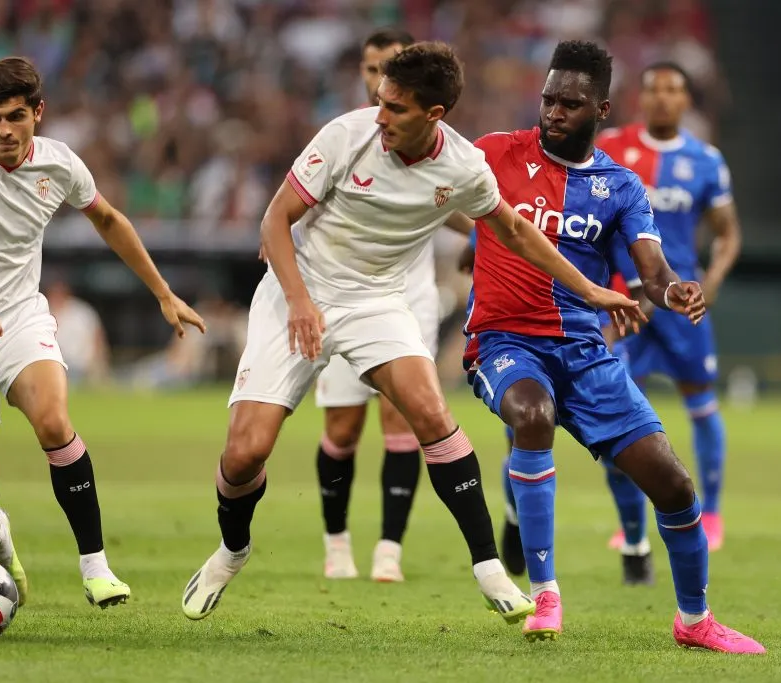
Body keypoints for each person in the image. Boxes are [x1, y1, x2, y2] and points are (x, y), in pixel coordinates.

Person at [180, 41, 642, 627]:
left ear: (434, 115)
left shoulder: (464, 167)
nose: (380, 117)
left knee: (431, 413)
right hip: (295, 291)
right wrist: (298, 302)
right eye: (379, 102)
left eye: (395, 108)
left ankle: (489, 568)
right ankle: (231, 551)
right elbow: (275, 219)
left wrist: (591, 289)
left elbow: (517, 233)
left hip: (376, 299)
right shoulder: (346, 137)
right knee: (245, 453)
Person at [462, 40, 764, 653]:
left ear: (600, 108)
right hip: (504, 340)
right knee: (531, 415)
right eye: (548, 99)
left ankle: (694, 620)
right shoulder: (495, 153)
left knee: (675, 486)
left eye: (569, 104)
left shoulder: (620, 186)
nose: (553, 112)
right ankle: (545, 594)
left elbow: (651, 270)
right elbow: (437, 182)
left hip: (584, 350)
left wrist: (675, 289)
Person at [0, 57, 205, 609]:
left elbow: (109, 219)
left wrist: (163, 292)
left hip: (17, 321)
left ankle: (96, 568)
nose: (2, 130)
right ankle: (1, 550)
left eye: (15, 117)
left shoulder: (59, 164)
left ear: (38, 114)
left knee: (53, 419)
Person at [312, 27, 472, 583]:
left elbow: (447, 197)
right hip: (340, 294)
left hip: (408, 295)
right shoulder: (346, 136)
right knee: (342, 428)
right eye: (370, 67)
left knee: (403, 418)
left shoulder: (427, 141)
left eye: (387, 67)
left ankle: (389, 549)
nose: (377, 77)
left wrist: (480, 232)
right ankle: (337, 544)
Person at [595, 62, 742, 562]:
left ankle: (715, 512)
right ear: (641, 96)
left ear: (686, 101)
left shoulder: (705, 160)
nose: (661, 98)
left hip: (680, 304)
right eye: (653, 88)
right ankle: (630, 521)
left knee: (702, 405)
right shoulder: (612, 146)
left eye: (673, 90)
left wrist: (714, 281)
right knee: (616, 410)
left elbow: (728, 233)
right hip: (623, 303)